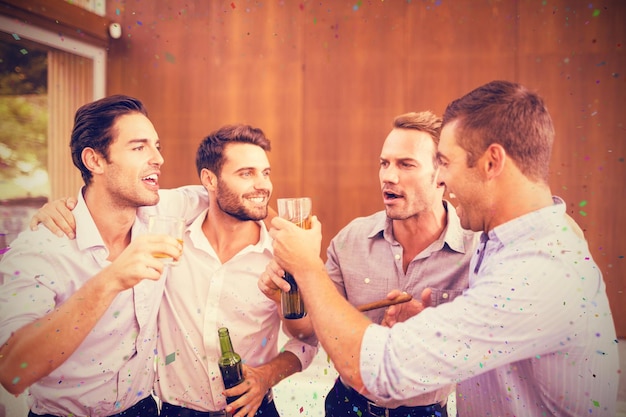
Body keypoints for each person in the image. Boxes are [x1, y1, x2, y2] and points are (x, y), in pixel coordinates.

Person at [262, 80, 619, 416]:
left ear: (492, 162)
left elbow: (377, 368)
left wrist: (307, 266)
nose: (443, 180)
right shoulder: (504, 241)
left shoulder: (538, 271)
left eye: (445, 163)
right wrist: (432, 326)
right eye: (384, 163)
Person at [30, 125, 318, 417]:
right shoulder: (166, 238)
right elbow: (111, 200)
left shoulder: (282, 256)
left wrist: (267, 376)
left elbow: (307, 339)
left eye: (265, 173)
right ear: (209, 179)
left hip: (255, 410)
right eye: (246, 173)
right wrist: (66, 208)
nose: (263, 185)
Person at [259, 111, 478, 417]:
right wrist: (286, 295)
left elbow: (484, 350)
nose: (389, 176)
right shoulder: (351, 240)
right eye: (384, 163)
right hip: (347, 406)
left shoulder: (476, 252)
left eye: (406, 164)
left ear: (441, 174)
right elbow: (306, 331)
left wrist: (429, 328)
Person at [0, 95, 189, 416]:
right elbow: (12, 373)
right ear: (95, 161)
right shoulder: (41, 248)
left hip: (143, 409)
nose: (158, 158)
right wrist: (110, 280)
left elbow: (238, 197)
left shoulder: (165, 212)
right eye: (139, 147)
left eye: (157, 146)